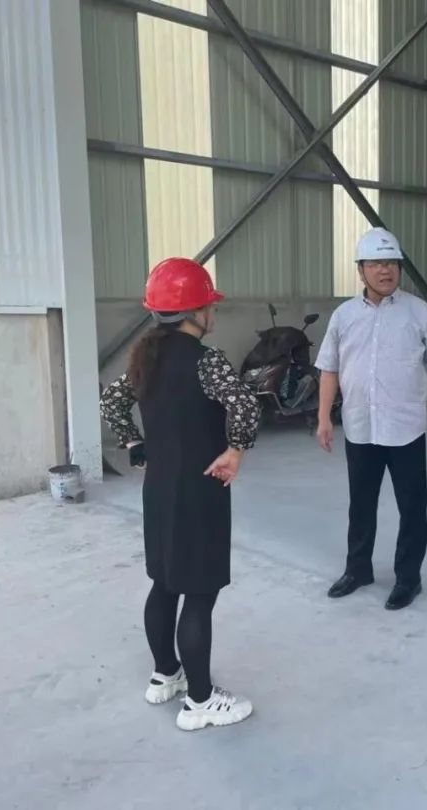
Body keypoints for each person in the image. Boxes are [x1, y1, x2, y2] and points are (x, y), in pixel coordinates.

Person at [100, 257, 261, 730]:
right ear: (196, 311)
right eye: (210, 305)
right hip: (200, 489)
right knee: (200, 593)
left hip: (159, 489)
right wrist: (235, 451)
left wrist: (135, 444)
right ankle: (200, 701)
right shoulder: (206, 361)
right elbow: (245, 405)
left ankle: (164, 675)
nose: (213, 313)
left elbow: (112, 402)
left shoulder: (144, 358)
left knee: (165, 583)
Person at [314, 227, 427, 611]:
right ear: (360, 270)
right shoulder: (344, 316)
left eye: (391, 263)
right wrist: (324, 417)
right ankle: (358, 569)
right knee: (360, 504)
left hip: (405, 428)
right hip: (360, 427)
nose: (385, 270)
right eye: (376, 263)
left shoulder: (418, 312)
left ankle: (409, 578)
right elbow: (329, 369)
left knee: (412, 507)